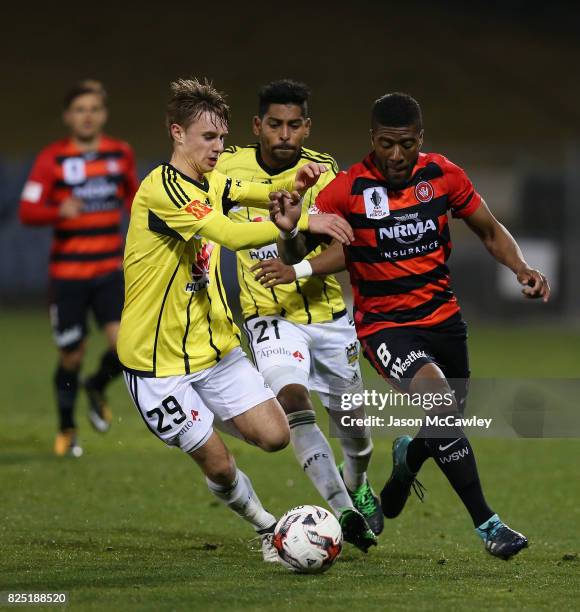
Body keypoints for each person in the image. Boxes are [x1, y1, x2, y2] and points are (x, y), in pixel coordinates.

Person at [264, 92, 550, 560]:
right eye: (385, 144)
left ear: (421, 139)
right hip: (385, 326)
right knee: (440, 406)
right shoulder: (346, 189)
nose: (396, 155)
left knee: (446, 421)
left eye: (405, 144)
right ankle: (489, 525)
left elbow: (490, 230)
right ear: (371, 139)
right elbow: (297, 254)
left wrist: (521, 268)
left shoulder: (443, 175)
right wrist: (292, 228)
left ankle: (406, 462)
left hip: (444, 319)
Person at [116, 77, 367, 561]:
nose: (218, 147)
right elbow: (227, 232)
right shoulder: (162, 189)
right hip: (157, 362)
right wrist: (289, 222)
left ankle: (203, 419)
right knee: (221, 465)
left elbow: (256, 188)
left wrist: (298, 195)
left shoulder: (212, 180)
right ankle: (269, 530)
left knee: (275, 436)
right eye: (208, 138)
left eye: (222, 139)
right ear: (177, 134)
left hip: (213, 350)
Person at [216, 79, 381, 544]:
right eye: (275, 125)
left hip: (327, 315)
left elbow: (350, 251)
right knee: (292, 401)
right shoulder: (228, 170)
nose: (284, 134)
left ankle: (358, 478)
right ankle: (344, 512)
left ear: (306, 127)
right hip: (268, 316)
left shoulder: (325, 173)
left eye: (293, 125)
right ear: (257, 126)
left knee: (356, 433)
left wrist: (297, 267)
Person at [19, 80, 139, 456]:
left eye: (94, 109)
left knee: (127, 347)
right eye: (80, 109)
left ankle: (97, 386)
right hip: (68, 278)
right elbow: (27, 210)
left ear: (103, 115)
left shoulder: (120, 154)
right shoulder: (51, 159)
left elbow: (136, 200)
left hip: (108, 272)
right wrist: (58, 211)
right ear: (68, 117)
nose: (88, 116)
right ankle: (67, 428)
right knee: (71, 354)